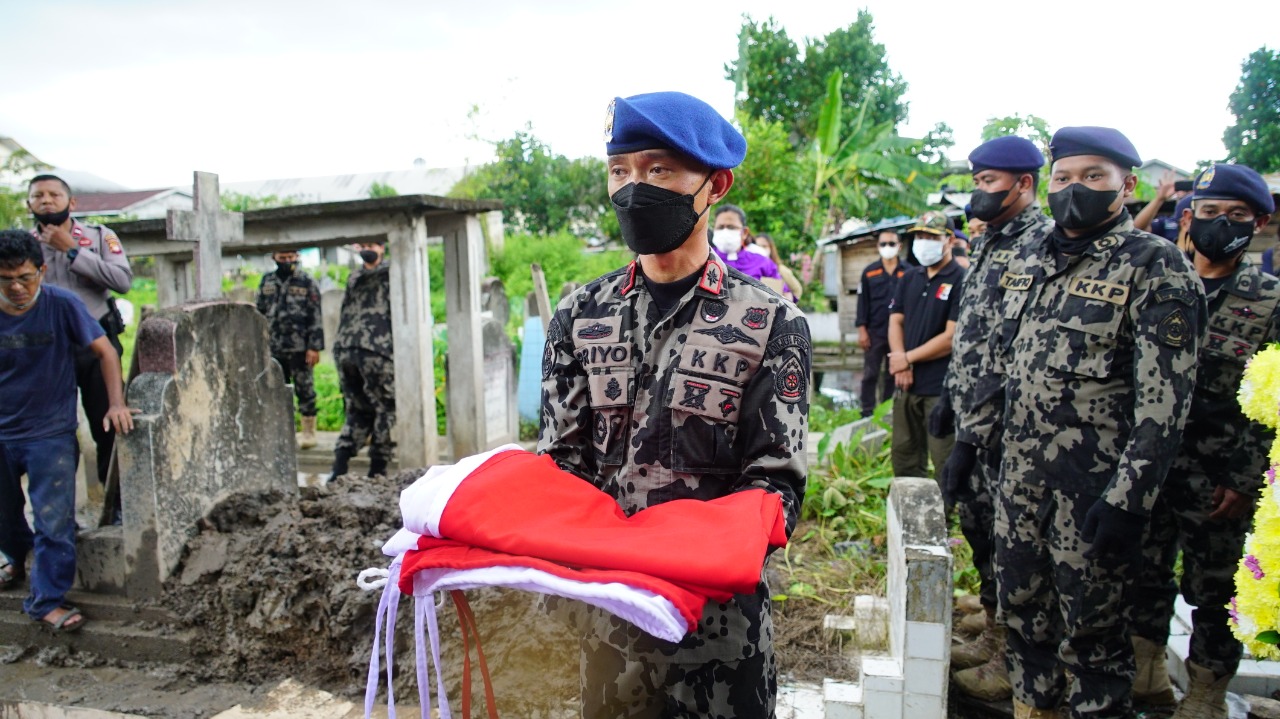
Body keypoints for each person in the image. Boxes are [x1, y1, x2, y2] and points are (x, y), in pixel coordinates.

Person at [538, 90, 809, 718]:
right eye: (620, 171)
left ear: (715, 184)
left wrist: (679, 559)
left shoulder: (770, 323)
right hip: (607, 630)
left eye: (658, 170)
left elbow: (775, 493)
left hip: (719, 640)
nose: (635, 188)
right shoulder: (580, 316)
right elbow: (563, 469)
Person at [994, 127, 1205, 719]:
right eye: (1064, 177)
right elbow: (1010, 364)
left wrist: (1128, 501)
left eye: (1094, 177)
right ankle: (1032, 709)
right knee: (1021, 612)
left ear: (1126, 186)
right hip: (1020, 480)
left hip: (1094, 492)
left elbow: (1165, 403)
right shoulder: (1030, 257)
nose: (1074, 189)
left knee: (1092, 636)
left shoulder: (1156, 267)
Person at [1126, 163, 1277, 718]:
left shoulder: (1270, 299)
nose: (1221, 224)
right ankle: (1146, 679)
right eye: (1210, 213)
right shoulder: (1157, 282)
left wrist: (1244, 479)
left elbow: (1275, 404)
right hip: (1149, 466)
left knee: (1214, 594)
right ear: (1188, 218)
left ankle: (1206, 698)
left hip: (1220, 481)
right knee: (1143, 575)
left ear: (1259, 223)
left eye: (1236, 216)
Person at [941, 136, 1055, 702]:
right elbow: (973, 330)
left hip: (1008, 431)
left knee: (1016, 546)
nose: (978, 192)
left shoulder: (1041, 246)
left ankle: (1014, 654)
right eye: (977, 181)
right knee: (979, 528)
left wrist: (973, 430)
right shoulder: (989, 243)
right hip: (971, 415)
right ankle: (994, 629)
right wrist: (949, 397)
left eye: (988, 182)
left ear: (1024, 184)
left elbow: (1013, 352)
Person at [0, 229, 135, 632]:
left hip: (50, 433)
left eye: (26, 277)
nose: (18, 288)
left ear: (41, 271)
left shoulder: (62, 304)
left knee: (54, 521)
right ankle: (20, 563)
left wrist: (116, 402)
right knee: (6, 518)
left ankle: (47, 600)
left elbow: (106, 351)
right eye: (6, 280)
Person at [26, 175, 132, 488]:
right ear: (29, 204)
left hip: (97, 345)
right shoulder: (25, 245)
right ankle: (63, 510)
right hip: (47, 349)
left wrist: (73, 251)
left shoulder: (99, 237)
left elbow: (122, 281)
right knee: (52, 431)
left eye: (54, 195)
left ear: (71, 203)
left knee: (110, 424)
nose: (46, 200)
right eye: (38, 195)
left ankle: (116, 502)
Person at [887, 211, 962, 479]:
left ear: (949, 240)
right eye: (919, 235)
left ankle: (947, 514)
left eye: (931, 236)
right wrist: (900, 360)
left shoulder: (961, 279)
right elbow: (896, 321)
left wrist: (907, 358)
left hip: (940, 387)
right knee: (904, 453)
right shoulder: (910, 277)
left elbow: (951, 337)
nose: (923, 241)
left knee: (944, 457)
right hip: (905, 382)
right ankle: (910, 515)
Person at [330, 241, 394, 479]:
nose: (368, 249)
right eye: (363, 245)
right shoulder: (357, 277)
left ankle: (339, 469)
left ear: (382, 248)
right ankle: (376, 470)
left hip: (355, 348)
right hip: (372, 349)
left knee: (361, 409)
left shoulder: (386, 274)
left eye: (372, 245)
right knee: (383, 408)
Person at [255, 249, 325, 450]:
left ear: (297, 257)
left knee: (305, 390)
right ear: (274, 258)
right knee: (276, 390)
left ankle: (308, 432)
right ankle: (283, 430)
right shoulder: (267, 281)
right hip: (274, 347)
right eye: (282, 258)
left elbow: (315, 316)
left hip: (300, 348)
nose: (287, 261)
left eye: (291, 258)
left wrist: (314, 347)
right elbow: (259, 312)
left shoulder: (306, 281)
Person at [855, 229, 908, 417]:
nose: (887, 247)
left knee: (893, 374)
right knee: (870, 373)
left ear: (899, 246)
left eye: (891, 244)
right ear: (878, 247)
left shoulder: (909, 272)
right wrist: (862, 330)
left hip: (901, 333)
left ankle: (888, 411)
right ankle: (867, 412)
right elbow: (862, 303)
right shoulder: (870, 272)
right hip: (875, 331)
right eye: (883, 244)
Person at [710, 204, 789, 293]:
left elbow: (783, 294)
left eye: (731, 227)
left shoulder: (762, 262)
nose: (725, 231)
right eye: (720, 227)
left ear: (744, 233)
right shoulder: (705, 259)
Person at [753, 233, 803, 302]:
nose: (760, 249)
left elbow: (797, 289)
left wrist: (790, 305)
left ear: (771, 248)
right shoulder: (749, 268)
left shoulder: (780, 269)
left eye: (764, 246)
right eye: (757, 246)